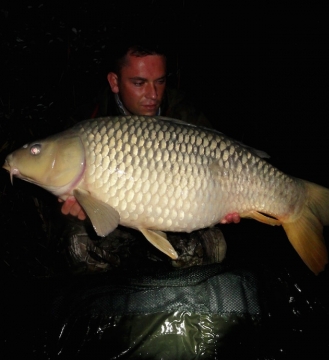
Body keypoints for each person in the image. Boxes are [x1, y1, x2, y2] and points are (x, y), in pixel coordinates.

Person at [58, 44, 240, 273]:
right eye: (139, 83)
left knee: (213, 245)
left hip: (177, 220)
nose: (153, 95)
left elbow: (222, 166)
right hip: (117, 225)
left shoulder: (185, 114)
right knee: (78, 243)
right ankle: (119, 301)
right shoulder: (88, 121)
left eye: (160, 81)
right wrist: (81, 212)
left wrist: (224, 204)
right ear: (114, 82)